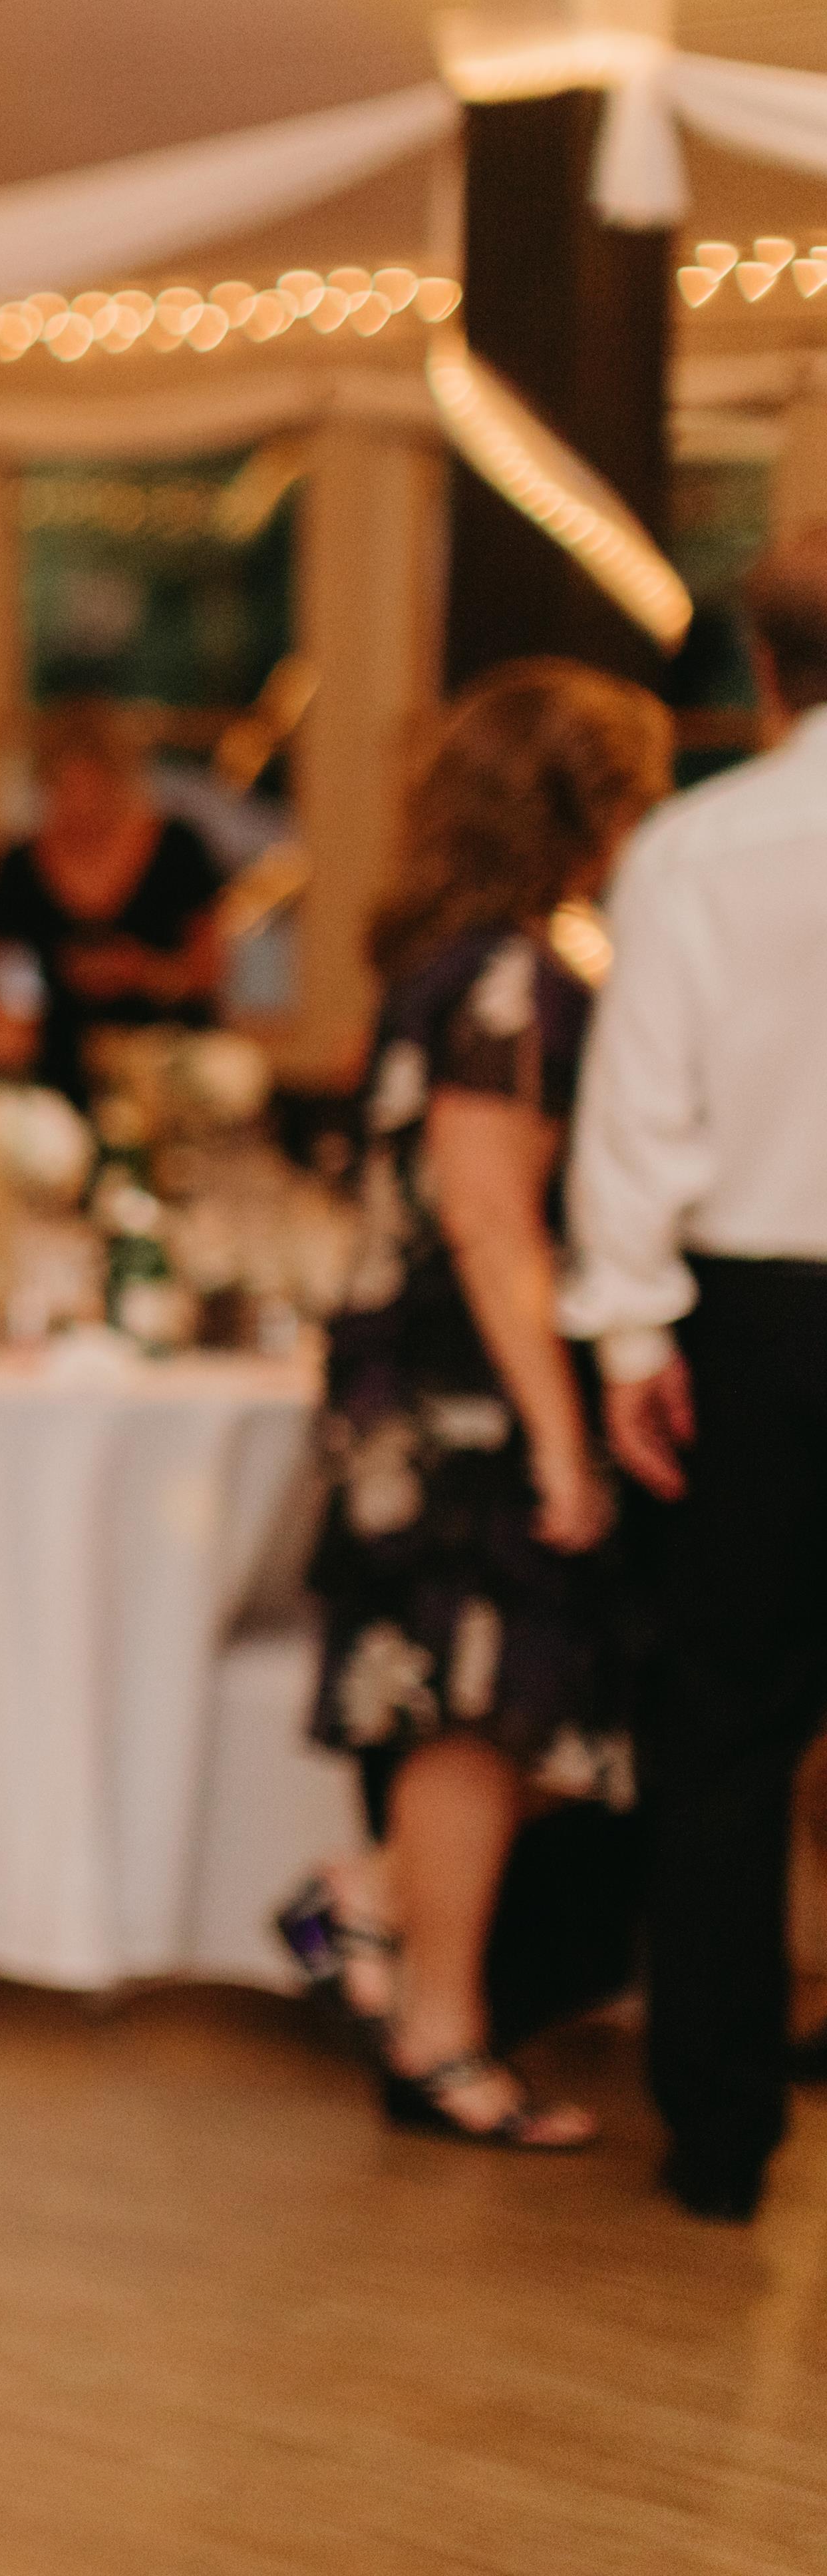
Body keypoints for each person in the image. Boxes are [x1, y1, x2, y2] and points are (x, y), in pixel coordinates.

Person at [293, 659, 673, 2155]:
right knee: (482, 1713)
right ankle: (435, 2029)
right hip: (469, 1401)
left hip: (430, 1389)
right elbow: (490, 1218)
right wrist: (564, 1438)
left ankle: (374, 1910)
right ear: (589, 807)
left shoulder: (453, 957)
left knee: (515, 1716)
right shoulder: (511, 973)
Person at [562, 528, 827, 2223]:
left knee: (728, 1729)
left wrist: (638, 1332)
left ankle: (723, 2132)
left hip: (762, 1325)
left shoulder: (701, 846)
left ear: (761, 666)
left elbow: (635, 1110)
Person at [0, 695, 232, 1104]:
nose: (80, 808)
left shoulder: (176, 849)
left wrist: (141, 972)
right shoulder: (19, 865)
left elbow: (211, 969)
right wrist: (13, 1015)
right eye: (64, 791)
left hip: (168, 1066)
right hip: (61, 1069)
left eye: (92, 791)